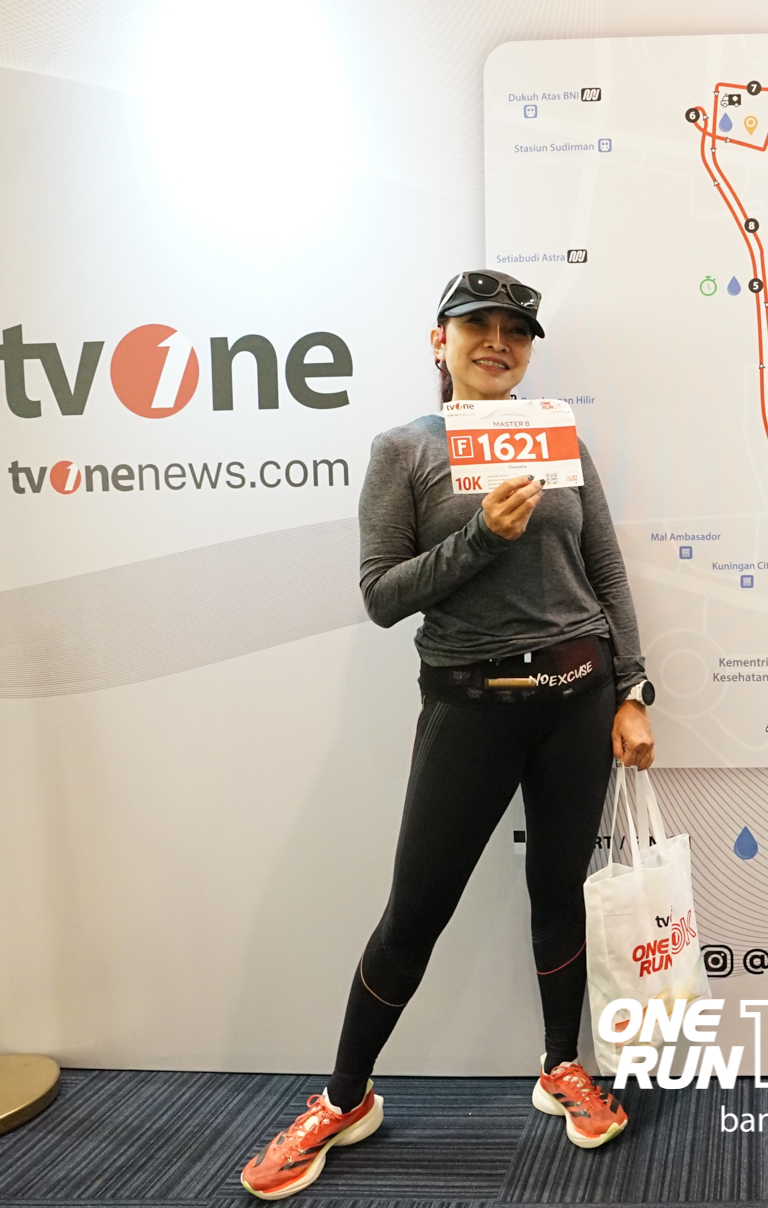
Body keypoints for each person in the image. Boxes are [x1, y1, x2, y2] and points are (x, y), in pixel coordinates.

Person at [241, 269, 656, 1200]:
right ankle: (344, 1098)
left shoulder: (557, 440)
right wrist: (482, 538)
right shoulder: (404, 450)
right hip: (470, 708)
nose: (497, 343)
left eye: (517, 330)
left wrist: (632, 690)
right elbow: (381, 596)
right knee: (414, 915)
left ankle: (560, 1065)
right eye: (477, 326)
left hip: (577, 700)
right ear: (440, 341)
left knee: (558, 892)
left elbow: (607, 573)